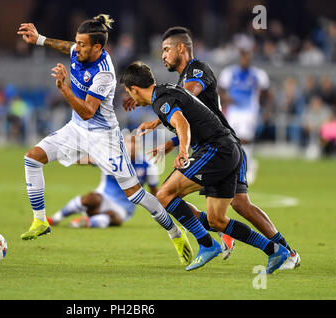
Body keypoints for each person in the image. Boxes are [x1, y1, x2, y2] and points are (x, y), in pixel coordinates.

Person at [17, 15, 192, 265]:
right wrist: (40, 39)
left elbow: (88, 111)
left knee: (135, 194)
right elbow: (68, 47)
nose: (77, 48)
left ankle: (175, 232)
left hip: (104, 137)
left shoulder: (104, 73)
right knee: (32, 158)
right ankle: (40, 221)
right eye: (77, 42)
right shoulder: (80, 50)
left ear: (98, 47)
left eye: (83, 45)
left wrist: (65, 88)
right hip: (76, 129)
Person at [125, 27, 300, 270]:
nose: (162, 55)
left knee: (172, 195)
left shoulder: (197, 70)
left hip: (218, 147)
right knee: (229, 210)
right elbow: (192, 120)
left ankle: (219, 242)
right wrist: (170, 139)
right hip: (214, 145)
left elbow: (189, 99)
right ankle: (271, 248)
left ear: (181, 48)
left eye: (166, 49)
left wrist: (160, 106)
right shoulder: (175, 85)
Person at [48, 135, 159, 228]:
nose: (131, 146)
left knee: (112, 217)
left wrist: (159, 214)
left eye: (135, 143)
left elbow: (154, 191)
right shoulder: (111, 157)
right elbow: (87, 160)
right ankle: (55, 218)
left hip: (123, 208)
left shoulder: (148, 165)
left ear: (140, 146)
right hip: (103, 197)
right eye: (128, 142)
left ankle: (86, 222)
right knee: (91, 198)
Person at [218, 43, 270, 184]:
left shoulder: (258, 74)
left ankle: (247, 167)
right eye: (243, 56)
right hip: (233, 111)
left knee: (245, 139)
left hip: (249, 111)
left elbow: (267, 94)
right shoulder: (229, 73)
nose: (245, 59)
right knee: (232, 140)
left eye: (247, 56)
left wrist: (266, 110)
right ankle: (241, 165)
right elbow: (219, 90)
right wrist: (225, 99)